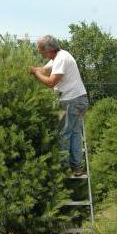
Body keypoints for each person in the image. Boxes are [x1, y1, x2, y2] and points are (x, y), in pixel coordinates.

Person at [29, 35, 89, 176]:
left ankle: (63, 169)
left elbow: (51, 82)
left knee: (63, 135)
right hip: (78, 100)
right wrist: (32, 70)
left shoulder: (61, 59)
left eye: (40, 51)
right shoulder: (57, 58)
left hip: (72, 101)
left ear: (48, 50)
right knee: (74, 134)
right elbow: (44, 70)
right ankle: (77, 168)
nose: (40, 53)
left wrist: (36, 74)